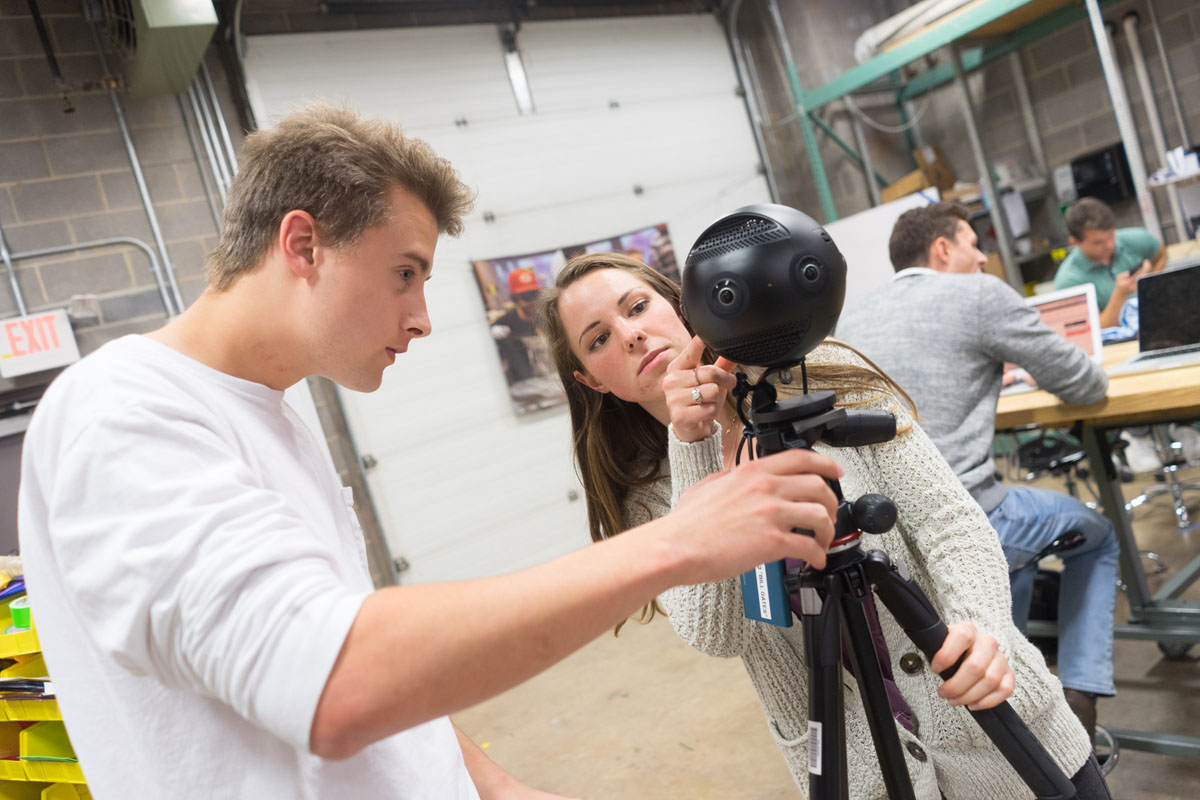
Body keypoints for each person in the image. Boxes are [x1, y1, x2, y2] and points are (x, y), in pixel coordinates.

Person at [16, 104, 845, 800]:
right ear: (302, 245)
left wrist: (493, 787)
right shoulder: (119, 414)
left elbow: (361, 647)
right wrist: (676, 541)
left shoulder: (278, 414)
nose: (421, 317)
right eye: (405, 274)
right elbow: (336, 680)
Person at [538, 252, 1108, 799]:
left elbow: (948, 521)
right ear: (591, 379)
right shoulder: (647, 491)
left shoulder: (820, 370)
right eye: (599, 339)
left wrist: (982, 630)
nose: (630, 334)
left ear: (677, 305)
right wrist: (692, 447)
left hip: (1000, 727)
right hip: (862, 768)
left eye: (636, 308)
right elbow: (719, 634)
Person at [836, 202, 1120, 747]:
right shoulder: (980, 294)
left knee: (1019, 560)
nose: (983, 256)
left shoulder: (852, 318)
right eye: (973, 243)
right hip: (967, 521)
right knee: (1098, 535)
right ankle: (1080, 693)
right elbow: (1086, 386)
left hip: (881, 544)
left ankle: (1021, 676)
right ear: (943, 249)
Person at [1053, 196, 1165, 329]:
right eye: (1098, 242)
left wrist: (1151, 282)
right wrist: (1120, 295)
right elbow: (1092, 330)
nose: (1109, 245)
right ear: (1075, 242)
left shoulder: (1134, 239)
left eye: (1111, 235)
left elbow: (1160, 253)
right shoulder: (1068, 280)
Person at [491, 268, 542, 384]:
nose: (533, 302)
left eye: (535, 294)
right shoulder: (507, 321)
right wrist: (491, 333)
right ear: (515, 299)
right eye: (527, 297)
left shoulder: (547, 316)